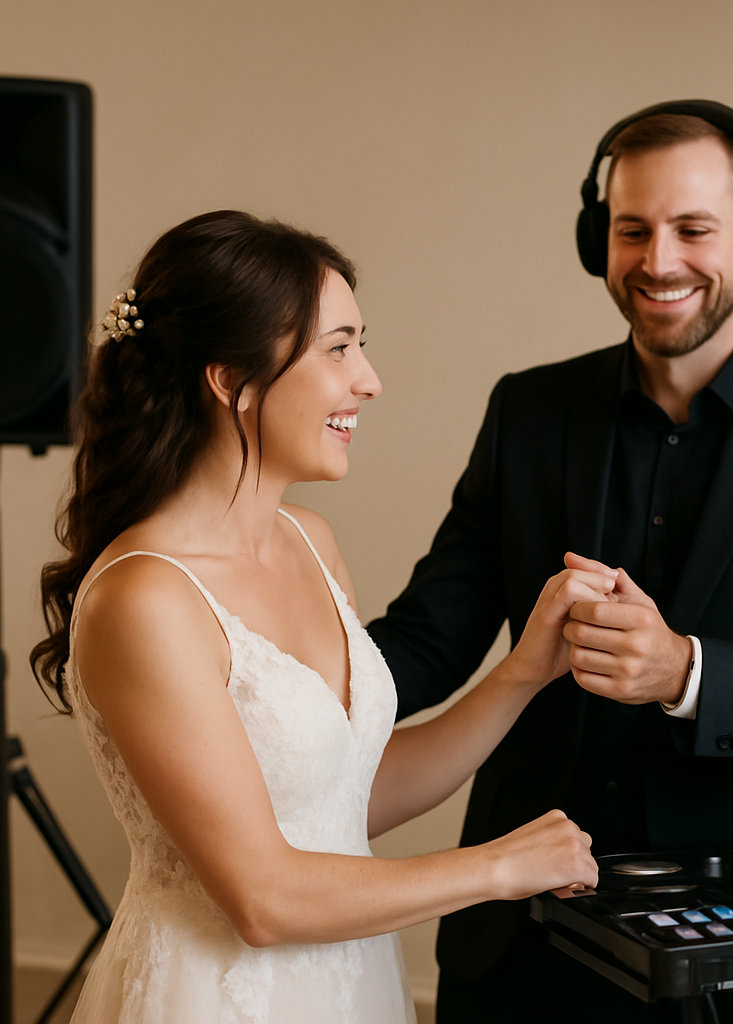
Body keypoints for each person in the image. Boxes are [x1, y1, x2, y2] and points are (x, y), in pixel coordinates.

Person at [366, 101, 733, 1022]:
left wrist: (688, 673)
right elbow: (428, 637)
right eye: (632, 230)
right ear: (599, 237)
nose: (659, 261)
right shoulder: (529, 411)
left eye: (694, 229)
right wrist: (274, 678)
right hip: (520, 934)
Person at [30, 210, 602, 1024]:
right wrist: (498, 868)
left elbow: (342, 802)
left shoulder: (313, 541)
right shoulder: (145, 599)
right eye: (338, 349)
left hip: (349, 985)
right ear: (231, 380)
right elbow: (263, 898)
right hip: (214, 998)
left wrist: (521, 674)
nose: (368, 380)